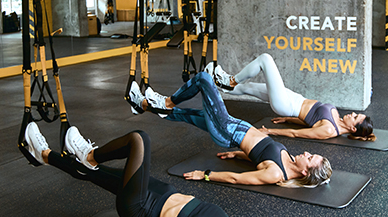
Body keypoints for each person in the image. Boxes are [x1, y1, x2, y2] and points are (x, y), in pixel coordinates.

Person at [23, 122, 287, 217]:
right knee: (92, 174)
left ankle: (89, 154)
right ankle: (43, 153)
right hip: (159, 191)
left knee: (139, 140)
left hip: (140, 207)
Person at [128, 72, 332, 188]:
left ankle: (166, 101)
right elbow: (258, 156)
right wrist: (236, 154)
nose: (307, 153)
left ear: (305, 171)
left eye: (310, 157)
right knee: (186, 114)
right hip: (234, 126)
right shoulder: (288, 160)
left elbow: (237, 178)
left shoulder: (276, 174)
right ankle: (141, 104)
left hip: (226, 129)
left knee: (204, 79)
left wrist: (205, 174)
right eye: (311, 153)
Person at [205, 53, 375, 141]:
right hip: (294, 100)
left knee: (265, 59)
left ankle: (230, 80)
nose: (351, 114)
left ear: (353, 128)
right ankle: (215, 84)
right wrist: (288, 119)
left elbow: (298, 134)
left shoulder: (330, 130)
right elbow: (309, 121)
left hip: (287, 104)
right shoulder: (336, 120)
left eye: (355, 117)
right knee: (248, 88)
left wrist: (269, 131)